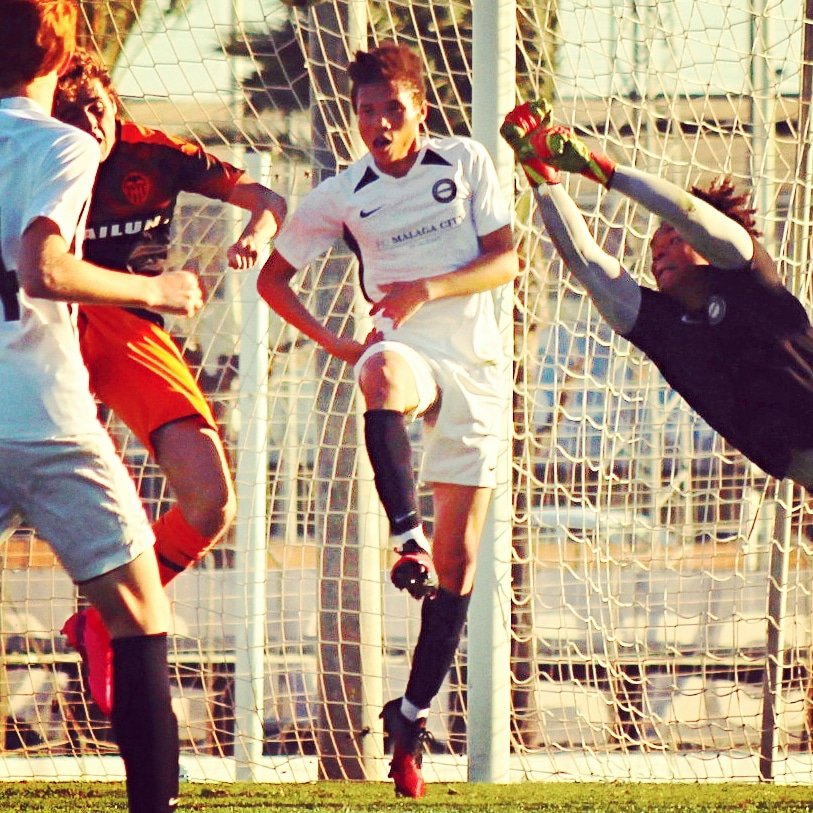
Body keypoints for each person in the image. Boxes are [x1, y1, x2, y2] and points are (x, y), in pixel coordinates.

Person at [257, 43, 518, 797]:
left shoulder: (464, 161)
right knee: (376, 373)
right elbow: (275, 279)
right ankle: (402, 536)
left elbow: (506, 259)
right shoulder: (342, 193)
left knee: (459, 565)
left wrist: (423, 287)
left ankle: (409, 715)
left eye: (391, 109)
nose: (377, 122)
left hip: (473, 366)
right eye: (365, 110)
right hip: (405, 350)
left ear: (419, 110)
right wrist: (341, 340)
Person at [0, 2, 205, 810]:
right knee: (142, 617)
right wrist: (154, 287)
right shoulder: (61, 144)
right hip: (46, 421)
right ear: (62, 50)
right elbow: (44, 265)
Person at [51, 49, 287, 716]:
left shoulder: (154, 154)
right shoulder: (33, 157)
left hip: (128, 330)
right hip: (47, 332)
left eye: (99, 106)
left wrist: (257, 233)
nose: (91, 123)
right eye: (73, 114)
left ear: (114, 104)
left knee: (212, 503)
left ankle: (102, 620)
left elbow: (266, 198)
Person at [500, 98, 813, 489]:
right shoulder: (659, 325)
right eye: (653, 247)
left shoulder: (747, 275)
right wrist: (539, 173)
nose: (658, 251)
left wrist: (597, 168)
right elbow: (586, 260)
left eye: (671, 239)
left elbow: (688, 213)